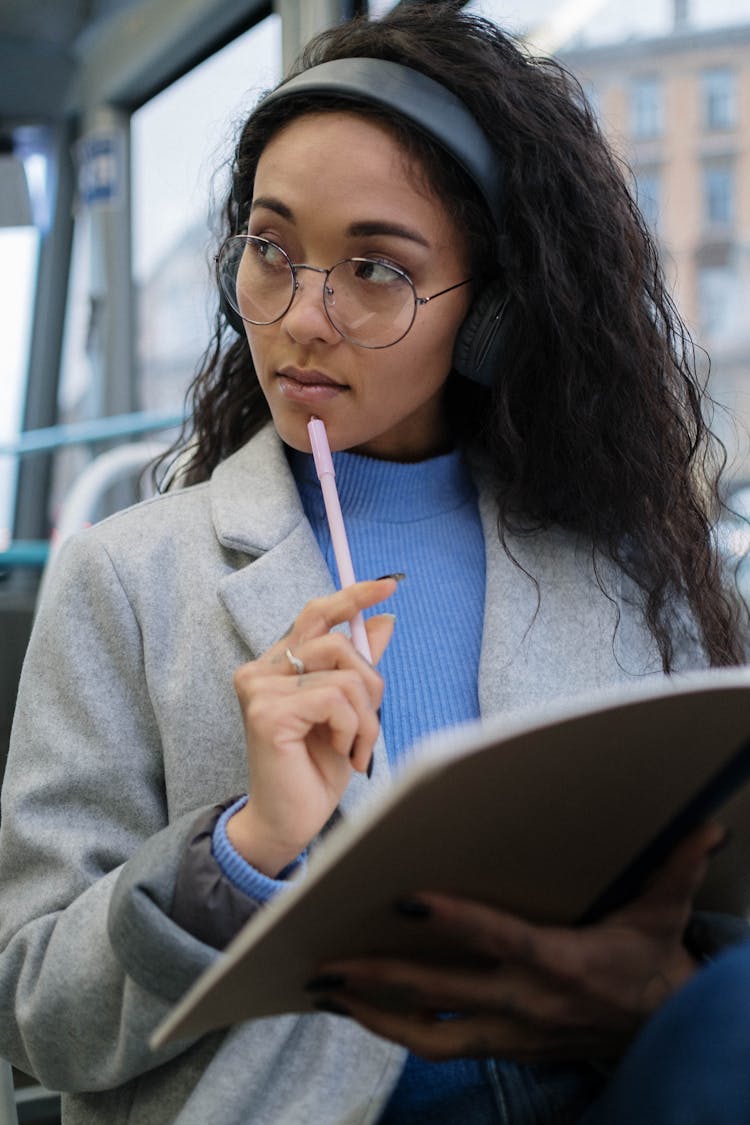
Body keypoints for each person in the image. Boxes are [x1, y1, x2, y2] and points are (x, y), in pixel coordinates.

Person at [0, 3, 749, 1123]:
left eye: (374, 270)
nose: (303, 318)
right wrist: (244, 850)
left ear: (491, 310)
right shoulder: (128, 575)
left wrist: (662, 994)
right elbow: (31, 1019)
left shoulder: (626, 560)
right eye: (270, 250)